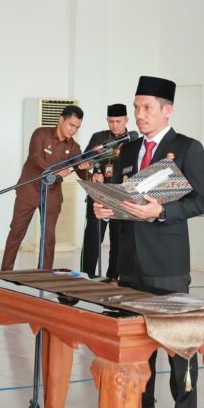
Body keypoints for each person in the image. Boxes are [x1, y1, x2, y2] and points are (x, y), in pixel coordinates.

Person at [93, 76, 204, 408]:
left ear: (167, 110)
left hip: (166, 263)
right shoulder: (128, 151)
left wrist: (160, 212)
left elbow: (200, 201)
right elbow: (125, 198)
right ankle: (143, 403)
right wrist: (108, 209)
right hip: (129, 262)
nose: (139, 115)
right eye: (136, 107)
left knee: (178, 345)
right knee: (137, 339)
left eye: (147, 108)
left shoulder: (187, 148)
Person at [0, 105, 88, 271]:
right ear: (61, 119)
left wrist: (88, 170)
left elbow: (81, 171)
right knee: (17, 232)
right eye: (71, 125)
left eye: (77, 127)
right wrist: (56, 170)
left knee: (48, 236)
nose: (73, 130)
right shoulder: (41, 133)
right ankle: (5, 271)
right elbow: (36, 157)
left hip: (52, 193)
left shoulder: (74, 147)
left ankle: (44, 272)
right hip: (29, 188)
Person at [79, 103, 130, 279]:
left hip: (122, 196)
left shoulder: (133, 140)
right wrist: (93, 171)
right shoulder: (98, 137)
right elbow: (85, 161)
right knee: (92, 239)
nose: (114, 125)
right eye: (110, 121)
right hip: (99, 194)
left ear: (126, 120)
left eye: (118, 121)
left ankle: (113, 278)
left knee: (118, 240)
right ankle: (86, 275)